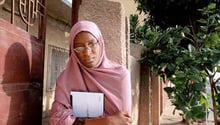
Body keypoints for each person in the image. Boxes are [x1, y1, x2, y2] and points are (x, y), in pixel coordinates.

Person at [50, 20, 132, 125]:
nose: (87, 53)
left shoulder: (119, 76)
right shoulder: (64, 80)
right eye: (79, 47)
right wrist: (107, 121)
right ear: (73, 50)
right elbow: (57, 119)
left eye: (92, 44)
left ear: (100, 43)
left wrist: (76, 121)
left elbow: (123, 121)